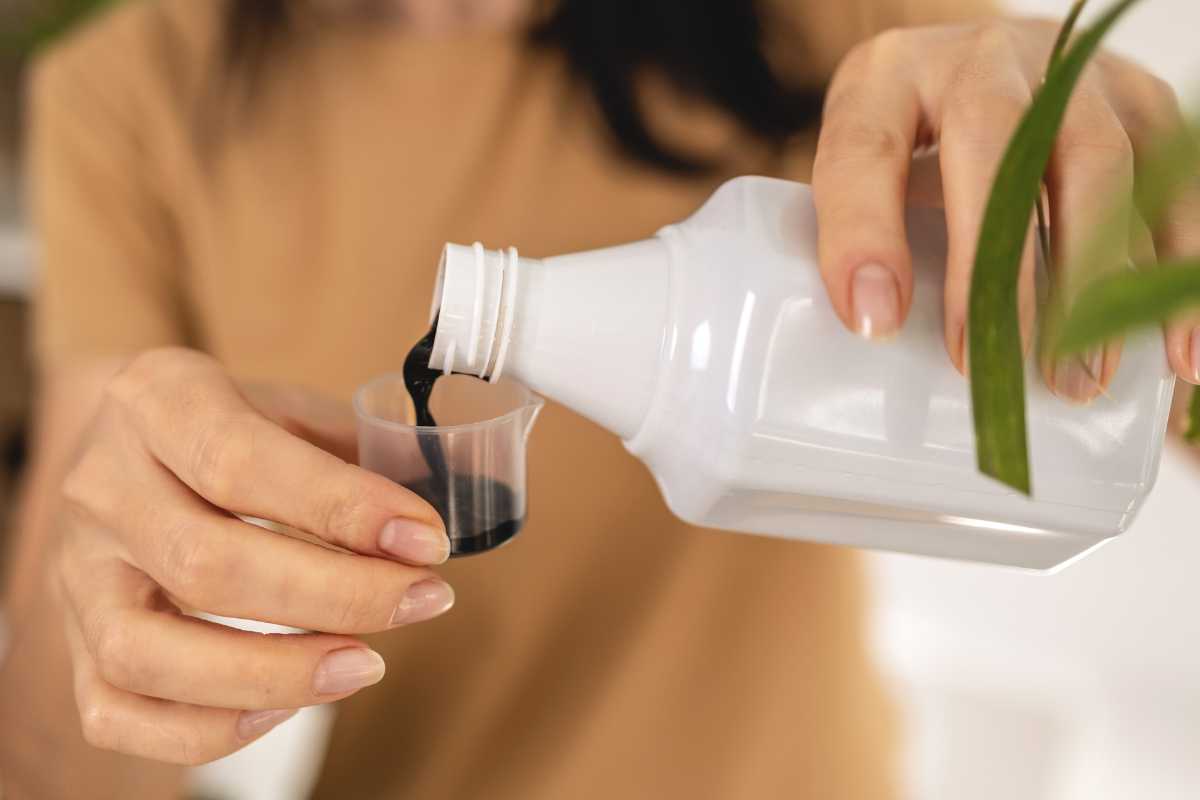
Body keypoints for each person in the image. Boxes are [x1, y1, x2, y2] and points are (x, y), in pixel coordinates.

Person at [1, 0, 1197, 797]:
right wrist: (104, 594)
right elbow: (49, 762)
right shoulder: (131, 85)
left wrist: (1141, 188)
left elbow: (1160, 405)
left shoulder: (817, 19)